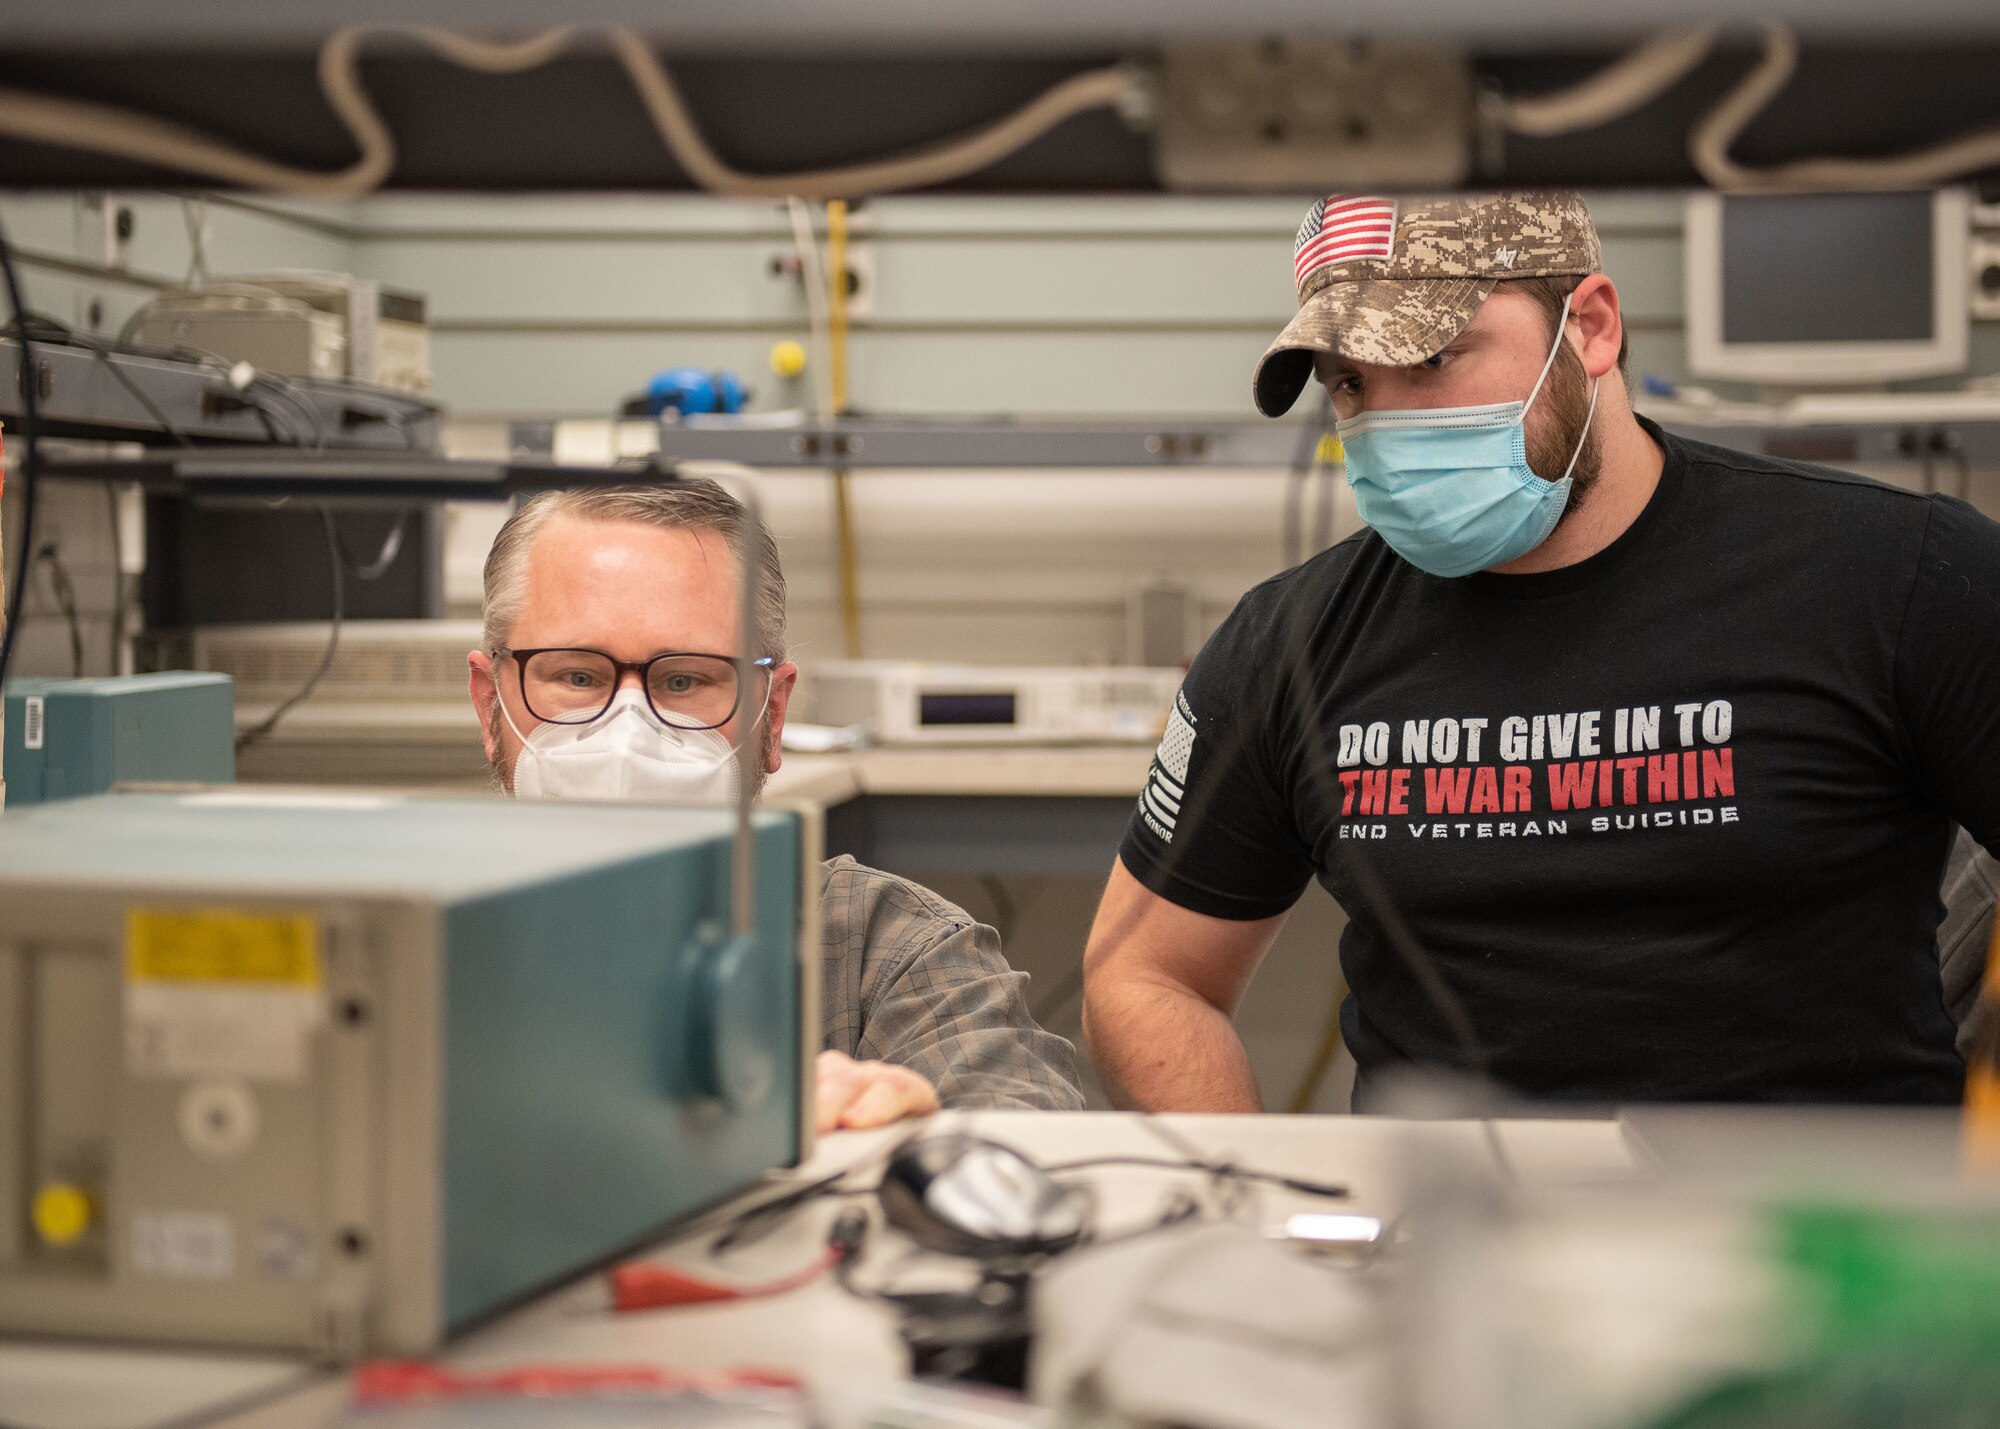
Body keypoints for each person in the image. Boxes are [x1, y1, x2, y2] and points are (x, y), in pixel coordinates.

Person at [1083, 191, 2000, 1111]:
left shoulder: (1897, 577)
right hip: (1455, 1230)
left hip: (1815, 1234)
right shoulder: (1288, 642)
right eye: (1350, 383)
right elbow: (1147, 976)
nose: (1387, 423)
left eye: (1433, 357)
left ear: (1591, 328)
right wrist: (1254, 1220)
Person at [467, 481, 1083, 1131]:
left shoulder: (886, 948)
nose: (628, 730)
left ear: (774, 713)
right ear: (489, 704)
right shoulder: (389, 941)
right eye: (577, 676)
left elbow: (1023, 1142)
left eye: (684, 680)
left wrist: (886, 1144)